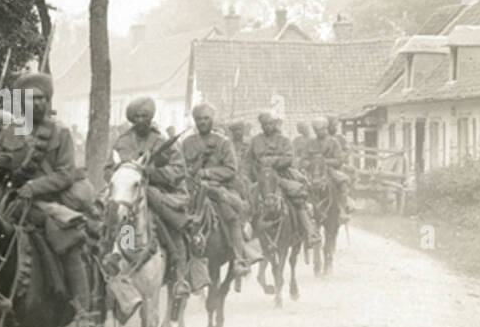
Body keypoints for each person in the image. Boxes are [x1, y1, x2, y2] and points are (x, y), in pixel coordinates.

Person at [0, 71, 100, 327]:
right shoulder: (11, 132)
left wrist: (34, 187)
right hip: (13, 201)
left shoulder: (60, 133)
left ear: (48, 101)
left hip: (49, 202)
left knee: (68, 243)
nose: (37, 104)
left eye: (42, 99)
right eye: (30, 98)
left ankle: (82, 312)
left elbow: (66, 174)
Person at [107, 96, 192, 297]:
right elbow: (107, 169)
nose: (140, 120)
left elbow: (179, 169)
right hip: (128, 191)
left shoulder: (162, 141)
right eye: (135, 116)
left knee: (172, 224)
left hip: (159, 191)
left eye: (144, 116)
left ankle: (180, 273)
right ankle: (116, 260)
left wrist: (152, 173)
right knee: (118, 217)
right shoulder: (122, 141)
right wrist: (123, 175)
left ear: (151, 117)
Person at [181, 103, 251, 276]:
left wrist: (208, 173)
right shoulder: (187, 143)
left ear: (212, 120)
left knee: (231, 215)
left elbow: (230, 169)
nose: (202, 122)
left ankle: (239, 257)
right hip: (193, 189)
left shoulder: (223, 143)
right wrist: (190, 173)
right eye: (198, 119)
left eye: (206, 119)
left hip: (220, 188)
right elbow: (180, 167)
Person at [247, 111, 320, 247]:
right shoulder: (255, 141)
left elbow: (289, 158)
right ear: (261, 126)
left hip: (281, 176)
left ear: (274, 124)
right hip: (262, 178)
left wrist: (273, 161)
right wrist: (248, 177)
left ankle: (310, 232)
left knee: (297, 197)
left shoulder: (284, 140)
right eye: (264, 125)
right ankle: (247, 238)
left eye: (270, 124)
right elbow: (248, 161)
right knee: (248, 201)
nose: (267, 127)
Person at [326, 116, 354, 217]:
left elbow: (347, 151)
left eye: (336, 125)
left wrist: (342, 157)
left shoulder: (341, 138)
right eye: (333, 125)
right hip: (322, 166)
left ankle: (344, 206)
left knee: (342, 182)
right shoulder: (323, 138)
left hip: (338, 166)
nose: (335, 127)